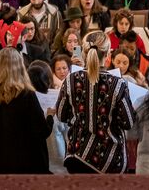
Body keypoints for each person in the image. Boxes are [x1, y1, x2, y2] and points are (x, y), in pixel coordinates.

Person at [57, 31, 136, 173]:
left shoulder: (70, 79)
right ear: (108, 55)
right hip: (110, 160)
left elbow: (62, 115)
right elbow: (128, 122)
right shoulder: (118, 84)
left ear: (84, 53)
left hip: (77, 155)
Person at [0, 48, 54, 174]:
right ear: (20, 68)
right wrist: (49, 116)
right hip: (25, 165)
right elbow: (42, 131)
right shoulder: (27, 95)